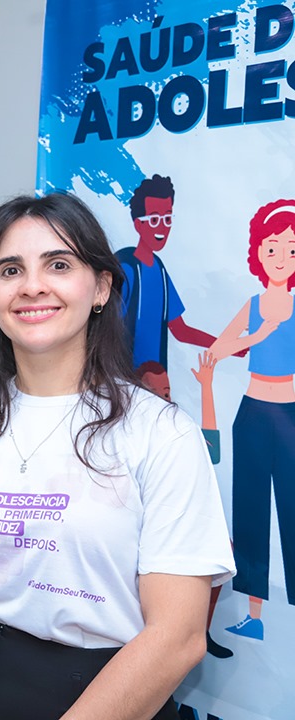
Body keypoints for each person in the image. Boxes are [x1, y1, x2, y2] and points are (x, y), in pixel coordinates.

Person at [0, 193, 234, 720]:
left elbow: (179, 636)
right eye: (11, 270)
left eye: (58, 264)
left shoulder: (160, 434)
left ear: (100, 288)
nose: (32, 286)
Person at [208, 199, 295, 642]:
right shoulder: (254, 305)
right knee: (250, 515)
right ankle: (255, 617)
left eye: (291, 249)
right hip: (253, 414)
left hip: (291, 414)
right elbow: (217, 350)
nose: (281, 257)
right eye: (273, 247)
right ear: (259, 252)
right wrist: (256, 335)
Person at [137, 355, 233, 659]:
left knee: (220, 549)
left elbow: (213, 447)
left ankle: (200, 629)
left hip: (180, 525)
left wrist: (205, 385)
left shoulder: (179, 428)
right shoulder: (130, 431)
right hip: (144, 535)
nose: (161, 399)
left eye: (166, 393)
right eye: (153, 393)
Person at [117, 174, 216, 370]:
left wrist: (224, 345)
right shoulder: (127, 268)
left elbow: (180, 330)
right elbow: (103, 329)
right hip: (124, 379)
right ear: (138, 224)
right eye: (154, 219)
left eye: (167, 218)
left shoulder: (159, 270)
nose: (162, 227)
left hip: (156, 380)